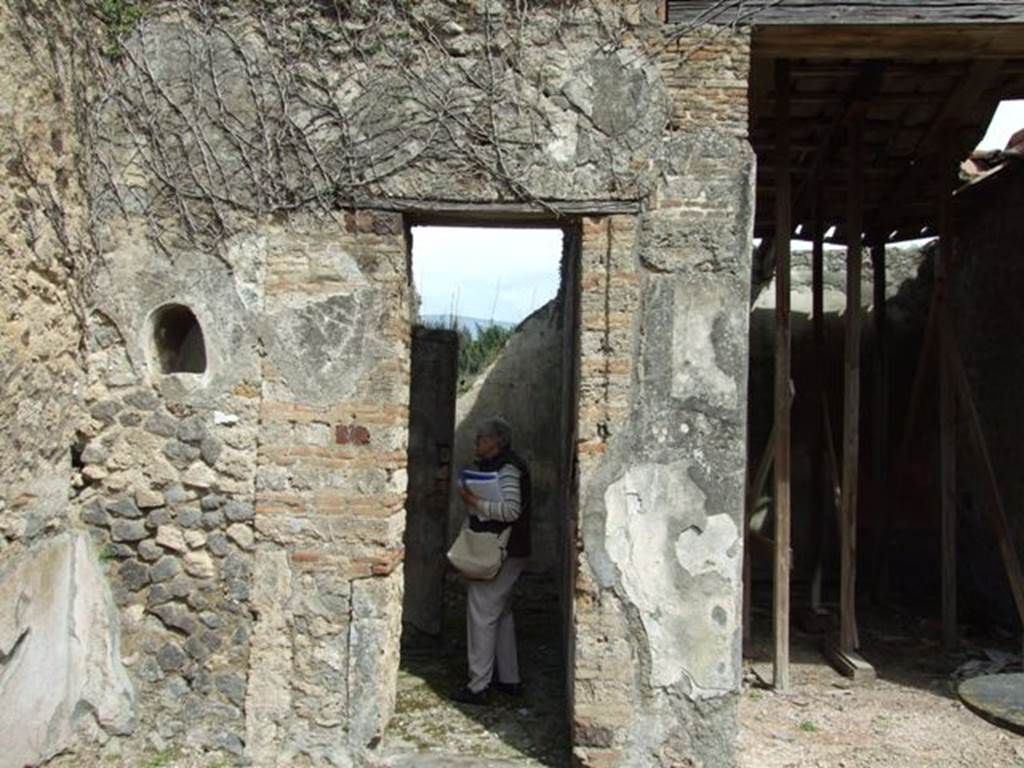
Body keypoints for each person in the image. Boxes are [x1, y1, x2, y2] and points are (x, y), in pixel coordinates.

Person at [450, 416, 531, 705]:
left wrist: (475, 502)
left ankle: (478, 685)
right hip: (510, 550)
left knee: (481, 613)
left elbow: (510, 511)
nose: (477, 442)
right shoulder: (503, 466)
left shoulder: (507, 469)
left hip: (502, 550)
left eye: (482, 437)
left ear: (498, 440)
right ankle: (509, 679)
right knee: (501, 614)